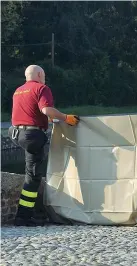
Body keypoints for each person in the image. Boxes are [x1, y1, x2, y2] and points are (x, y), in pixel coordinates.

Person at [9, 65, 80, 226]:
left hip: (15, 133)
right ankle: (23, 217)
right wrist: (65, 118)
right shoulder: (42, 88)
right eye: (44, 75)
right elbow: (47, 109)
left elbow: (29, 111)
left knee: (31, 171)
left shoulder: (18, 90)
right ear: (40, 74)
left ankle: (30, 212)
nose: (45, 78)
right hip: (32, 135)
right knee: (33, 177)